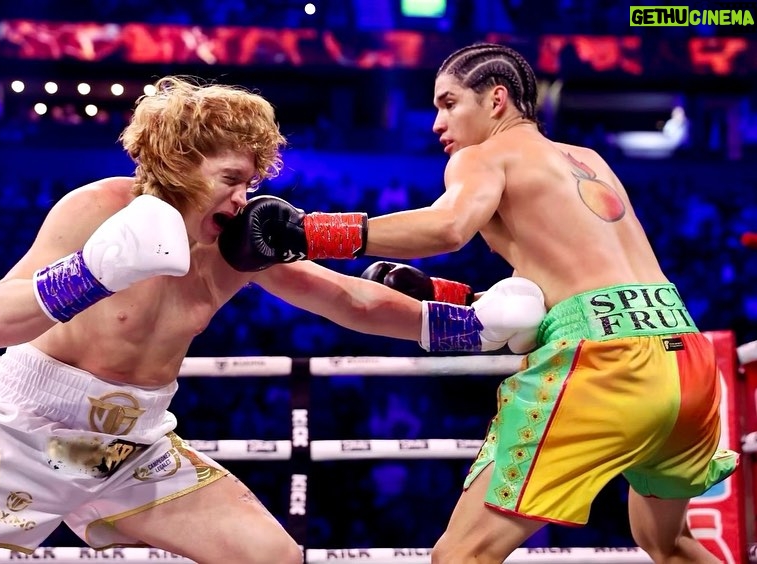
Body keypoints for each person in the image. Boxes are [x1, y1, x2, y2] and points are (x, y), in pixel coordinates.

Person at [0, 75, 544, 564]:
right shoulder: (96, 208)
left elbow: (350, 301)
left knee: (273, 557)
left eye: (252, 178)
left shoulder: (242, 241)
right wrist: (94, 272)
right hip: (22, 435)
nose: (245, 196)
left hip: (134, 449)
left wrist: (471, 327)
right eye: (232, 178)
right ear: (181, 162)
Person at [217, 43, 740, 563]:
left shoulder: (484, 155)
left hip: (605, 361)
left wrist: (309, 233)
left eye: (448, 103)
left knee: (461, 556)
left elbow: (449, 228)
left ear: (496, 100)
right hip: (686, 355)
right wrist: (445, 294)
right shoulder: (589, 160)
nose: (436, 123)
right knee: (668, 544)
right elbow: (558, 292)